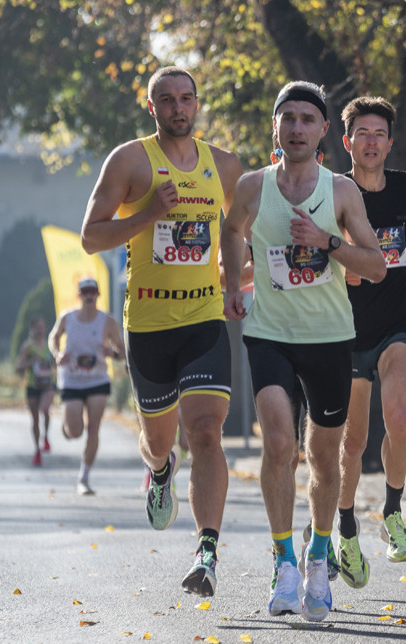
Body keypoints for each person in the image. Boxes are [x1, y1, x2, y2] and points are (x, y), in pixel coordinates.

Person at [220, 81, 386, 622]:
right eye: (286, 118)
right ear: (276, 127)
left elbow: (377, 266)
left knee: (324, 456)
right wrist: (229, 286)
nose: (295, 127)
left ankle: (319, 554)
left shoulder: (340, 192)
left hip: (330, 339)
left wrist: (327, 244)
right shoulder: (251, 187)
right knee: (278, 443)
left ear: (321, 133)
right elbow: (230, 229)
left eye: (306, 120)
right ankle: (283, 559)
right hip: (269, 334)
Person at [79, 65, 243, 598]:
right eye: (166, 100)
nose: (178, 107)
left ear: (197, 104)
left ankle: (207, 551)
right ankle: (159, 470)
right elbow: (90, 237)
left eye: (186, 98)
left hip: (204, 320)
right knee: (159, 442)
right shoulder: (129, 160)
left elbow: (238, 231)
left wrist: (236, 279)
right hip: (148, 325)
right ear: (152, 107)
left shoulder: (224, 166)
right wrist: (148, 213)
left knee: (206, 431)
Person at [334, 96, 406, 589]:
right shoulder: (333, 192)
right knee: (352, 442)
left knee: (397, 416)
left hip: (399, 321)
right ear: (347, 140)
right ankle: (346, 525)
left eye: (380, 134)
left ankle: (393, 511)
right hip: (348, 330)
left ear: (390, 142)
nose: (371, 142)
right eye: (362, 134)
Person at [48, 277, 125, 495]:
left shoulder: (107, 321)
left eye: (93, 292)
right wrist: (57, 354)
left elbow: (121, 351)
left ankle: (84, 477)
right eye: (85, 292)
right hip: (71, 379)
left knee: (93, 429)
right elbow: (53, 337)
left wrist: (114, 353)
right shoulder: (67, 317)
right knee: (75, 431)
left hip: (97, 380)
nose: (89, 296)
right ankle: (67, 428)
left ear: (98, 295)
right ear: (79, 295)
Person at [16, 314, 55, 467]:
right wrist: (31, 362)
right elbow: (18, 366)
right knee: (35, 419)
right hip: (33, 386)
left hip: (47, 386)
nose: (40, 330)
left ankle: (45, 436)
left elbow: (55, 363)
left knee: (45, 410)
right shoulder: (28, 347)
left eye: (42, 327)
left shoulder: (49, 345)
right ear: (32, 329)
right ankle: (37, 450)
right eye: (37, 327)